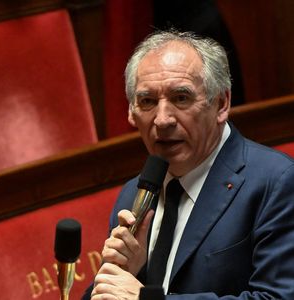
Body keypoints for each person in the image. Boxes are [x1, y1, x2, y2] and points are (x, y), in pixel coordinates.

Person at [82, 30, 294, 299]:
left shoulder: (277, 183)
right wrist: (129, 271)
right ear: (131, 113)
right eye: (147, 101)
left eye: (181, 98)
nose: (162, 120)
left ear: (221, 103)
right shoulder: (133, 195)